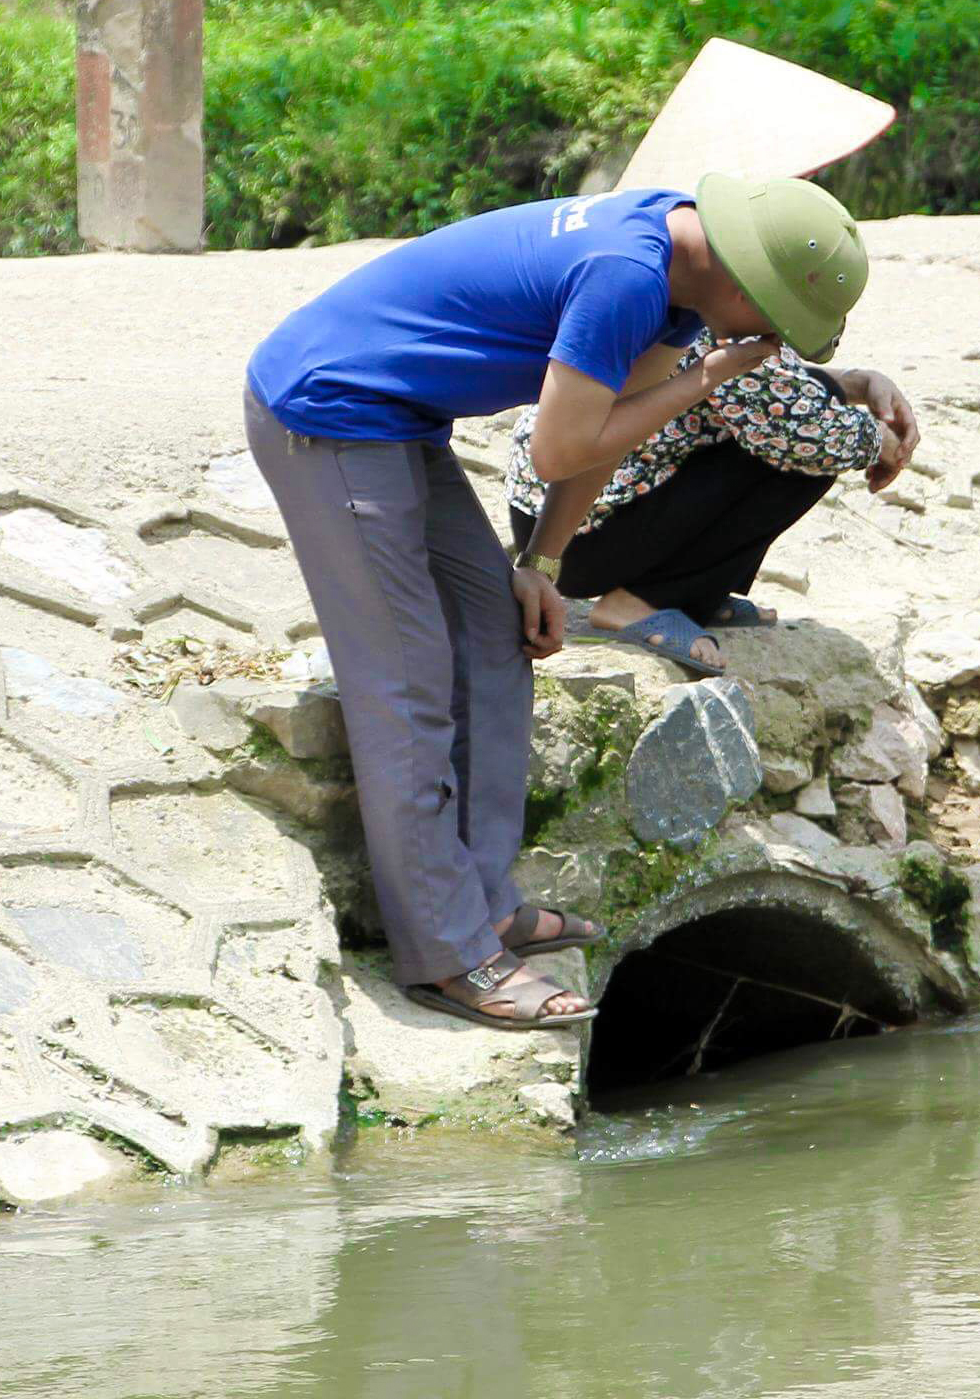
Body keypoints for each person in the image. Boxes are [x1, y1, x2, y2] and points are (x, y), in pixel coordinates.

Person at [243, 175, 870, 1031]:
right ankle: (451, 956)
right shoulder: (628, 274)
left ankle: (485, 903)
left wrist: (543, 558)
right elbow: (560, 438)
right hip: (330, 413)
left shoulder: (681, 272)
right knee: (406, 683)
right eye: (772, 322)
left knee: (498, 635)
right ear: (743, 285)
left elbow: (609, 432)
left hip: (400, 419)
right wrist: (711, 377)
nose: (771, 343)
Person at [502, 336, 921, 675]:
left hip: (555, 521)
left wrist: (859, 382)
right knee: (806, 456)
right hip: (577, 534)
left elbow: (779, 380)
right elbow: (812, 432)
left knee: (802, 412)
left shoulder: (696, 292)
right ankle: (639, 601)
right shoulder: (723, 323)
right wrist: (880, 442)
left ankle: (694, 591)